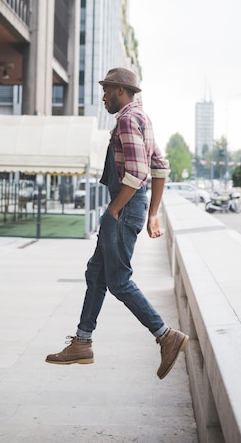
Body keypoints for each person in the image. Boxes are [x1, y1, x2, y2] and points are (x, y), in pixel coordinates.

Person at [45, 67, 189, 379]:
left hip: (122, 208)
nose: (103, 97)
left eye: (107, 90)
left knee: (119, 280)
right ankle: (82, 341)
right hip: (131, 208)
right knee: (95, 272)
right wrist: (151, 214)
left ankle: (166, 336)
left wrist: (114, 210)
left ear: (120, 91)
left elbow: (137, 174)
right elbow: (160, 166)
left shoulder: (126, 119)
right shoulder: (142, 118)